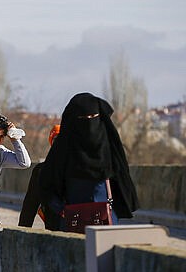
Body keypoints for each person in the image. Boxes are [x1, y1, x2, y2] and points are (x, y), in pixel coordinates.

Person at [39, 92, 139, 231]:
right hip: (73, 221)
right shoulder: (63, 150)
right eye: (83, 118)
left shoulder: (110, 149)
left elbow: (121, 181)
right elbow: (46, 184)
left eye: (93, 117)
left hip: (107, 219)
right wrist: (61, 210)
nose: (89, 124)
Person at [18, 125, 61, 230]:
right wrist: (23, 231)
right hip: (53, 226)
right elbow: (30, 204)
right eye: (57, 140)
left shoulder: (80, 168)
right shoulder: (42, 170)